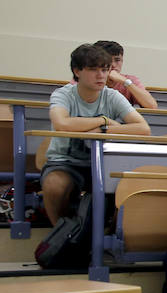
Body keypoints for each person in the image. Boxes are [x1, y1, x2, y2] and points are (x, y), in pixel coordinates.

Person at [42, 43, 150, 224]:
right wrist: (103, 119)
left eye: (105, 70)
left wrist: (104, 129)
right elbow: (62, 124)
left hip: (105, 162)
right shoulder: (63, 94)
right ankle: (60, 233)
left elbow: (143, 129)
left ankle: (108, 232)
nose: (101, 75)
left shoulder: (112, 96)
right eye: (93, 70)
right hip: (66, 163)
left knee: (133, 186)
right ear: (77, 71)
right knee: (54, 185)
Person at [91, 40, 157, 110]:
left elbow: (152, 106)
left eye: (117, 60)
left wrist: (126, 82)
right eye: (108, 60)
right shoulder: (86, 79)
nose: (113, 65)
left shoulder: (130, 80)